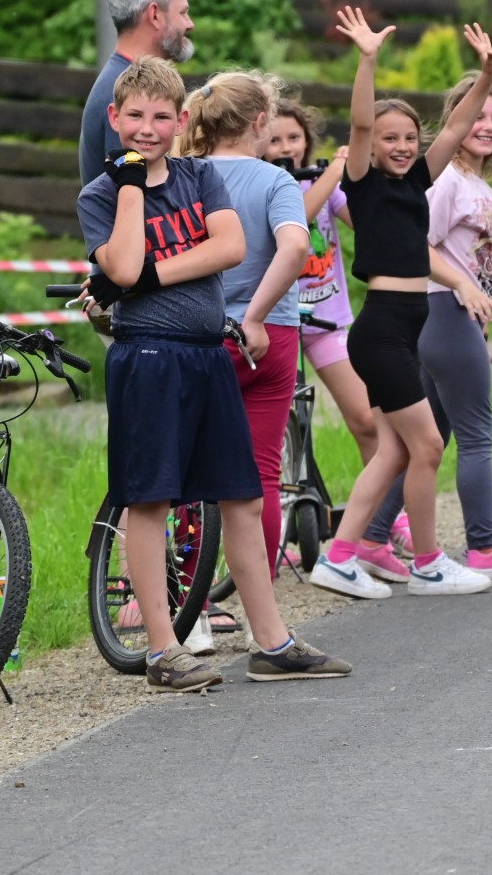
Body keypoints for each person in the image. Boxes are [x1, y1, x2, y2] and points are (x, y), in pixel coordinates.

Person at [77, 57, 349, 691]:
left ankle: (272, 643)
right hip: (149, 356)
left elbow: (228, 247)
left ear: (182, 122)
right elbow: (121, 264)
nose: (148, 128)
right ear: (114, 118)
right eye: (135, 116)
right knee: (150, 500)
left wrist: (143, 278)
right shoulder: (101, 194)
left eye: (161, 117)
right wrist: (130, 187)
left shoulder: (200, 175)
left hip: (207, 352)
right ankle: (163, 651)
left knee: (243, 496)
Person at [308, 7, 492, 600]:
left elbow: (456, 127)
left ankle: (340, 554)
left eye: (408, 139)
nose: (399, 146)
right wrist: (367, 60)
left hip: (402, 331)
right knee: (428, 445)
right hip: (383, 331)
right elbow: (360, 122)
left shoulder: (419, 179)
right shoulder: (362, 182)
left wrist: (487, 77)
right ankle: (427, 562)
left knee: (393, 451)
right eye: (389, 138)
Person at [356, 72, 492, 582]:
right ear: (455, 121)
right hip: (442, 312)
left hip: (454, 319)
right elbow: (413, 244)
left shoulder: (476, 184)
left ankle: (372, 539)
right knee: (476, 435)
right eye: (478, 116)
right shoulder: (446, 183)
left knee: (428, 438)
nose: (488, 126)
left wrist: (476, 318)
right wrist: (462, 289)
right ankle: (484, 547)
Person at [178, 70, 310, 615]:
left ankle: (190, 606)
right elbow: (295, 247)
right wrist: (255, 315)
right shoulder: (275, 181)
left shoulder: (185, 175)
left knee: (186, 473)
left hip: (198, 333)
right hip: (270, 336)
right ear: (260, 122)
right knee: (261, 477)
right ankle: (263, 611)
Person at [265, 99, 380, 464]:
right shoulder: (262, 185)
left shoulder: (322, 180)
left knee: (368, 420)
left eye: (294, 137)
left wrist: (357, 172)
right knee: (277, 430)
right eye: (275, 140)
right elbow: (297, 218)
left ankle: (385, 500)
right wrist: (333, 173)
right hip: (275, 324)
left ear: (307, 140)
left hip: (326, 321)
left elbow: (366, 223)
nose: (286, 148)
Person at [78, 0, 196, 185]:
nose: (190, 24)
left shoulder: (119, 81)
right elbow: (133, 195)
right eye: (182, 13)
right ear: (155, 15)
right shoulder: (126, 91)